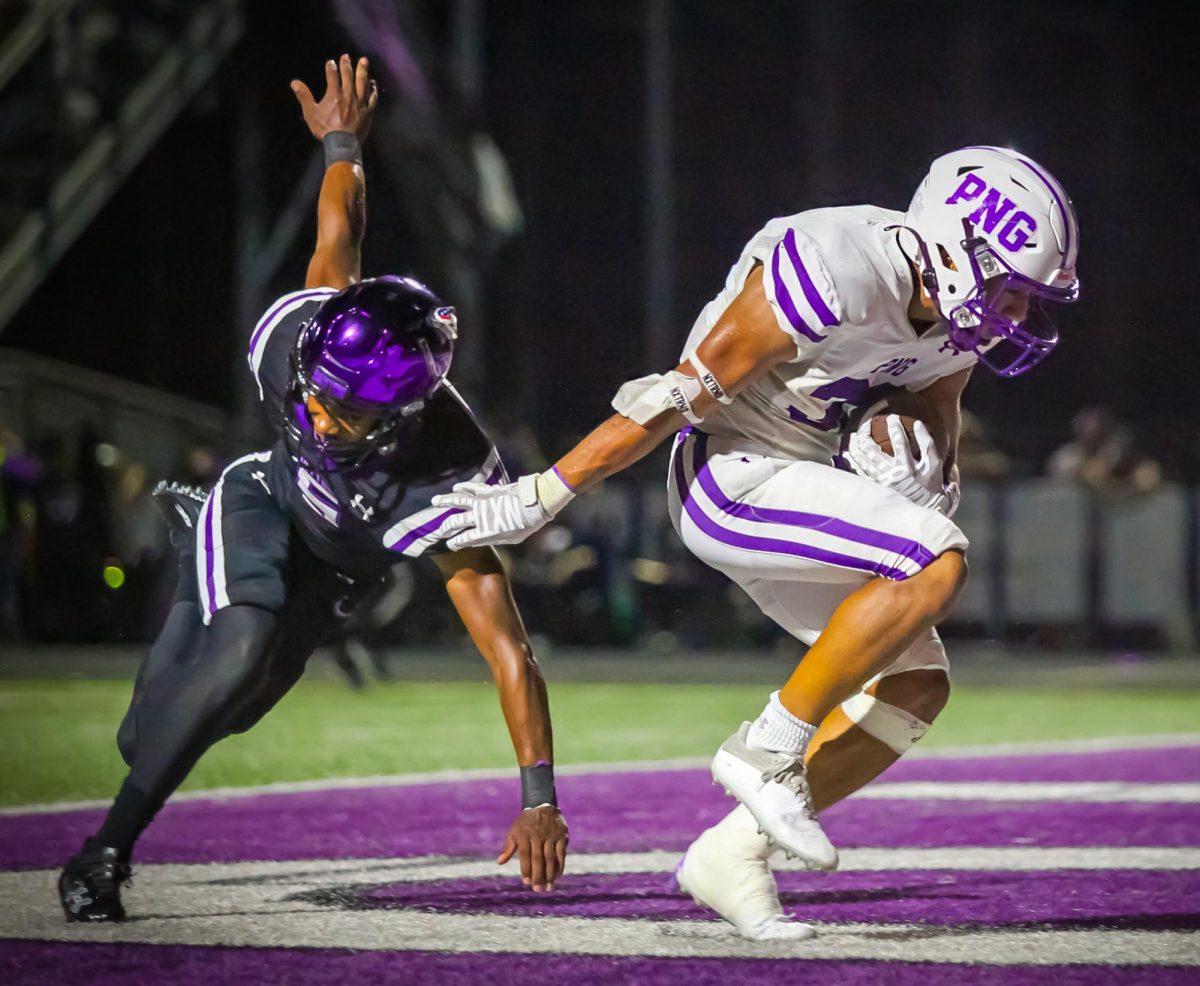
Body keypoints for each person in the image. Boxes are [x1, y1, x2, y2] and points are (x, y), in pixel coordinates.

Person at [431, 146, 1080, 939]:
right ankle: (768, 747)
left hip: (806, 473)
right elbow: (673, 396)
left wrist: (928, 466)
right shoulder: (836, 264)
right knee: (937, 559)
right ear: (953, 243)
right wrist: (541, 494)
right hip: (726, 475)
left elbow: (936, 389)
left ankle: (732, 853)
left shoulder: (954, 313)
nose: (1014, 315)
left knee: (917, 684)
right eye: (1010, 289)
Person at [57, 54, 569, 923]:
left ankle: (195, 576)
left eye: (350, 416)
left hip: (332, 573)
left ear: (408, 415)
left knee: (170, 730)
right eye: (319, 399)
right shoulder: (309, 334)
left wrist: (539, 795)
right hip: (264, 501)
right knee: (240, 648)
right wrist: (341, 142)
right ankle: (102, 855)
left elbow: (509, 650)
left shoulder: (444, 474)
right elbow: (341, 231)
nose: (323, 420)